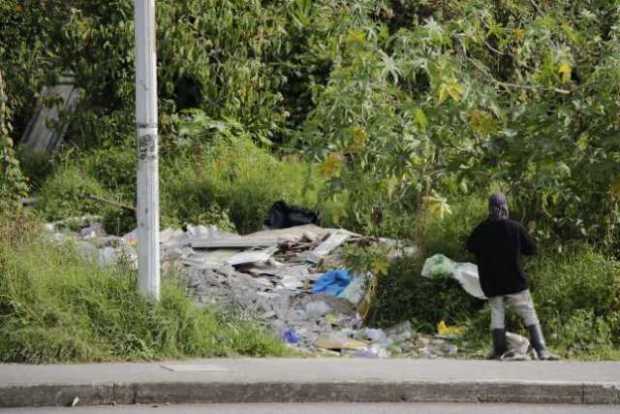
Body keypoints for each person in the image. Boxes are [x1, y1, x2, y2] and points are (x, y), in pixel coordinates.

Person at [466, 193, 558, 361]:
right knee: (529, 312)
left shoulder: (482, 229)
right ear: (505, 207)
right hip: (515, 281)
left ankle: (499, 350)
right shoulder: (515, 227)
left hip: (492, 283)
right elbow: (531, 249)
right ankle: (541, 350)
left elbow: (470, 246)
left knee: (497, 314)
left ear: (490, 209)